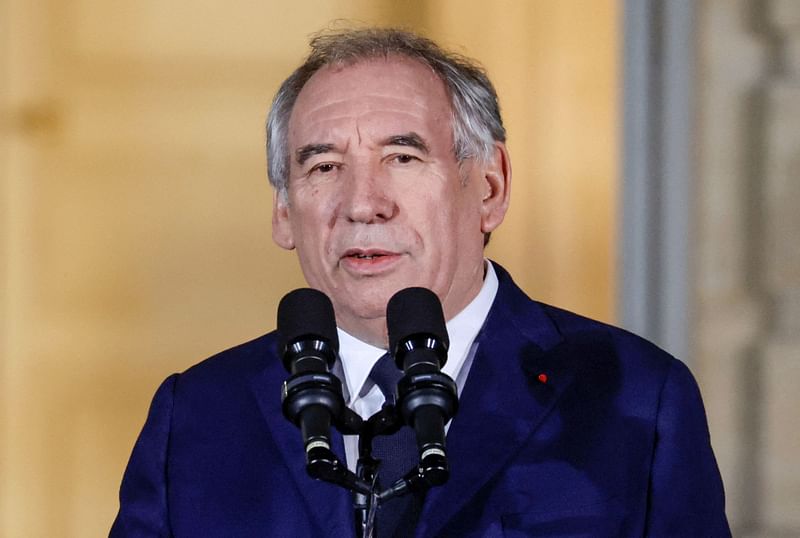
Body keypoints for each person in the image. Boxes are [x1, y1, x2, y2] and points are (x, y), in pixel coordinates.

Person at [111, 27, 730, 537]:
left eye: (402, 158)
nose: (363, 204)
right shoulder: (195, 416)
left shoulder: (635, 398)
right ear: (283, 212)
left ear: (490, 188)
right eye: (324, 166)